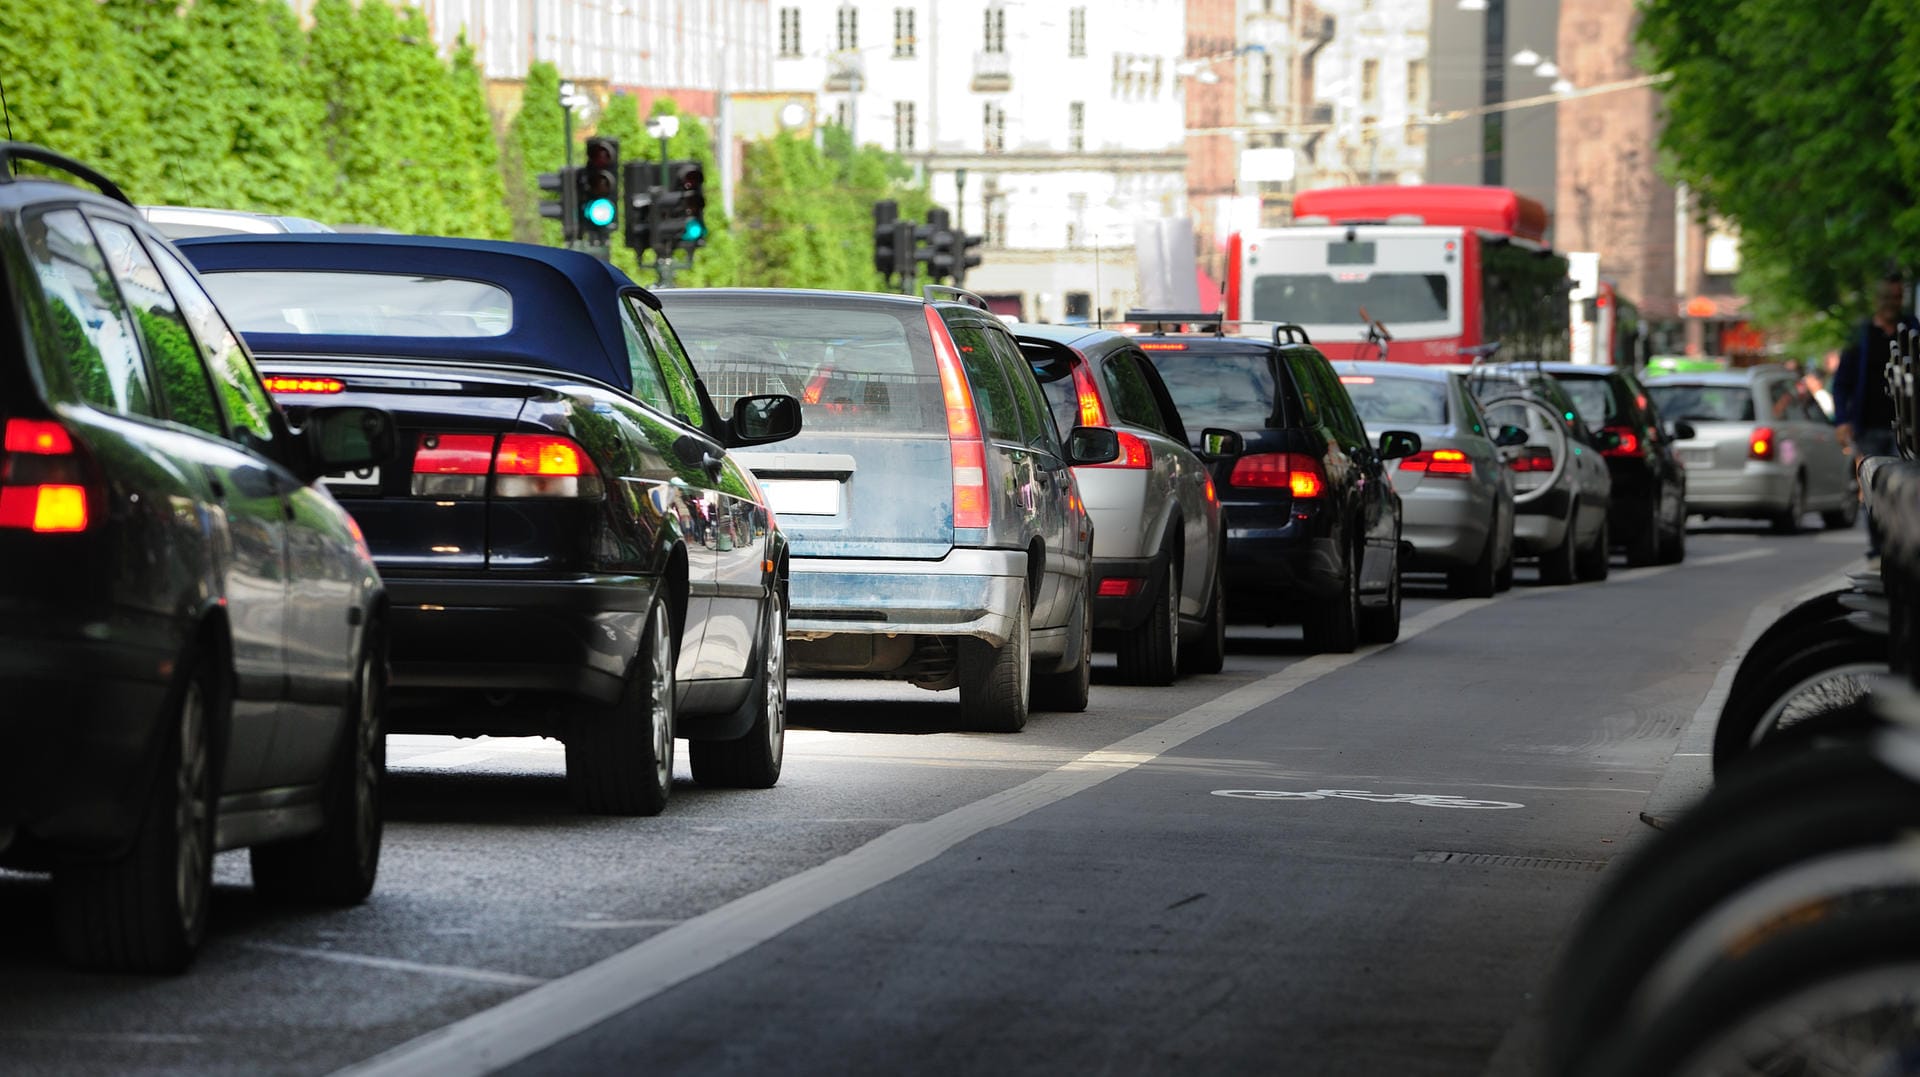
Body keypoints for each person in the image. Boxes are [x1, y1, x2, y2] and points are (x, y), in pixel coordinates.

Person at [1832, 274, 1920, 558]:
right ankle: (1878, 546)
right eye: (1888, 297)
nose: (1892, 303)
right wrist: (1843, 419)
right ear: (1878, 299)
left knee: (1905, 486)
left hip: (1906, 426)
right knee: (1874, 486)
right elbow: (1842, 381)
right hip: (1868, 425)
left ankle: (1902, 544)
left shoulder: (1911, 329)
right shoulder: (1862, 335)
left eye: (1897, 297)